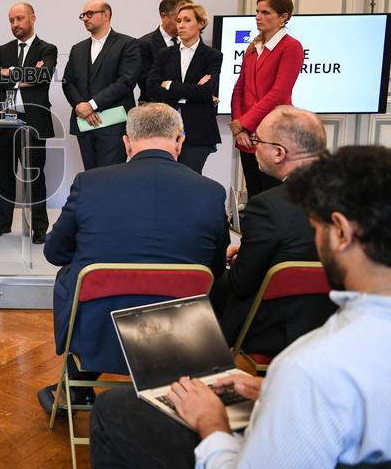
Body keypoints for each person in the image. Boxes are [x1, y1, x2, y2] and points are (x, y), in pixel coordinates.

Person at [89, 146, 391, 469]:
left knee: (113, 410)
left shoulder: (308, 369)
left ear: (341, 232)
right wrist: (271, 392)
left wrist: (212, 424)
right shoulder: (313, 371)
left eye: (316, 229)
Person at [38, 103, 229, 416]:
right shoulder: (210, 192)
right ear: (180, 140)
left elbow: (54, 252)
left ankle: (76, 384)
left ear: (126, 142)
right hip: (181, 332)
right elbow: (215, 268)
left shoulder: (91, 183)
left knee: (73, 274)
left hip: (98, 327)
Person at [211, 106, 335, 356]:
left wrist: (237, 260)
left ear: (278, 152)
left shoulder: (268, 206)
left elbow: (242, 284)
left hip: (277, 331)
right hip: (338, 325)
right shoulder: (359, 194)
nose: (253, 146)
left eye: (257, 140)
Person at [0, 2, 57, 244]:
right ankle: (2, 222)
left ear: (32, 18)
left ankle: (39, 227)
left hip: (33, 121)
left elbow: (43, 75)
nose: (15, 24)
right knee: (4, 173)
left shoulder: (47, 48)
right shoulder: (4, 49)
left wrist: (10, 73)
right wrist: (23, 76)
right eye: (11, 20)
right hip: (6, 119)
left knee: (34, 174)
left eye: (19, 19)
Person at [230, 0, 304, 198]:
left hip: (273, 132)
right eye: (257, 12)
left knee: (270, 194)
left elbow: (279, 93)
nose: (258, 17)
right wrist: (239, 127)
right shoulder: (253, 46)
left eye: (265, 12)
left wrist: (245, 122)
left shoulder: (291, 47)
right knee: (254, 194)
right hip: (247, 135)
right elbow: (239, 88)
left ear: (283, 17)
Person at [62, 0, 141, 170]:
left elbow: (126, 81)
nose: (85, 18)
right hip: (84, 124)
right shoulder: (78, 48)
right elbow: (68, 82)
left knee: (111, 179)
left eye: (90, 14)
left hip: (114, 125)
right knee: (90, 176)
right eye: (83, 15)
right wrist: (80, 106)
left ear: (106, 15)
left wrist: (91, 105)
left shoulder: (127, 44)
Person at [145, 2, 223, 174]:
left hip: (198, 129)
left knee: (190, 178)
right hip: (165, 128)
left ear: (201, 23)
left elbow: (206, 91)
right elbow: (151, 87)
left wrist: (170, 85)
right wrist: (193, 89)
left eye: (187, 20)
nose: (180, 25)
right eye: (179, 20)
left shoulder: (213, 55)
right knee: (164, 179)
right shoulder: (165, 54)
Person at [137, 0, 190, 103]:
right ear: (164, 16)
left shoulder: (191, 41)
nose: (183, 25)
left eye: (187, 20)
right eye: (178, 20)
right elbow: (147, 83)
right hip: (154, 108)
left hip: (189, 108)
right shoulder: (144, 44)